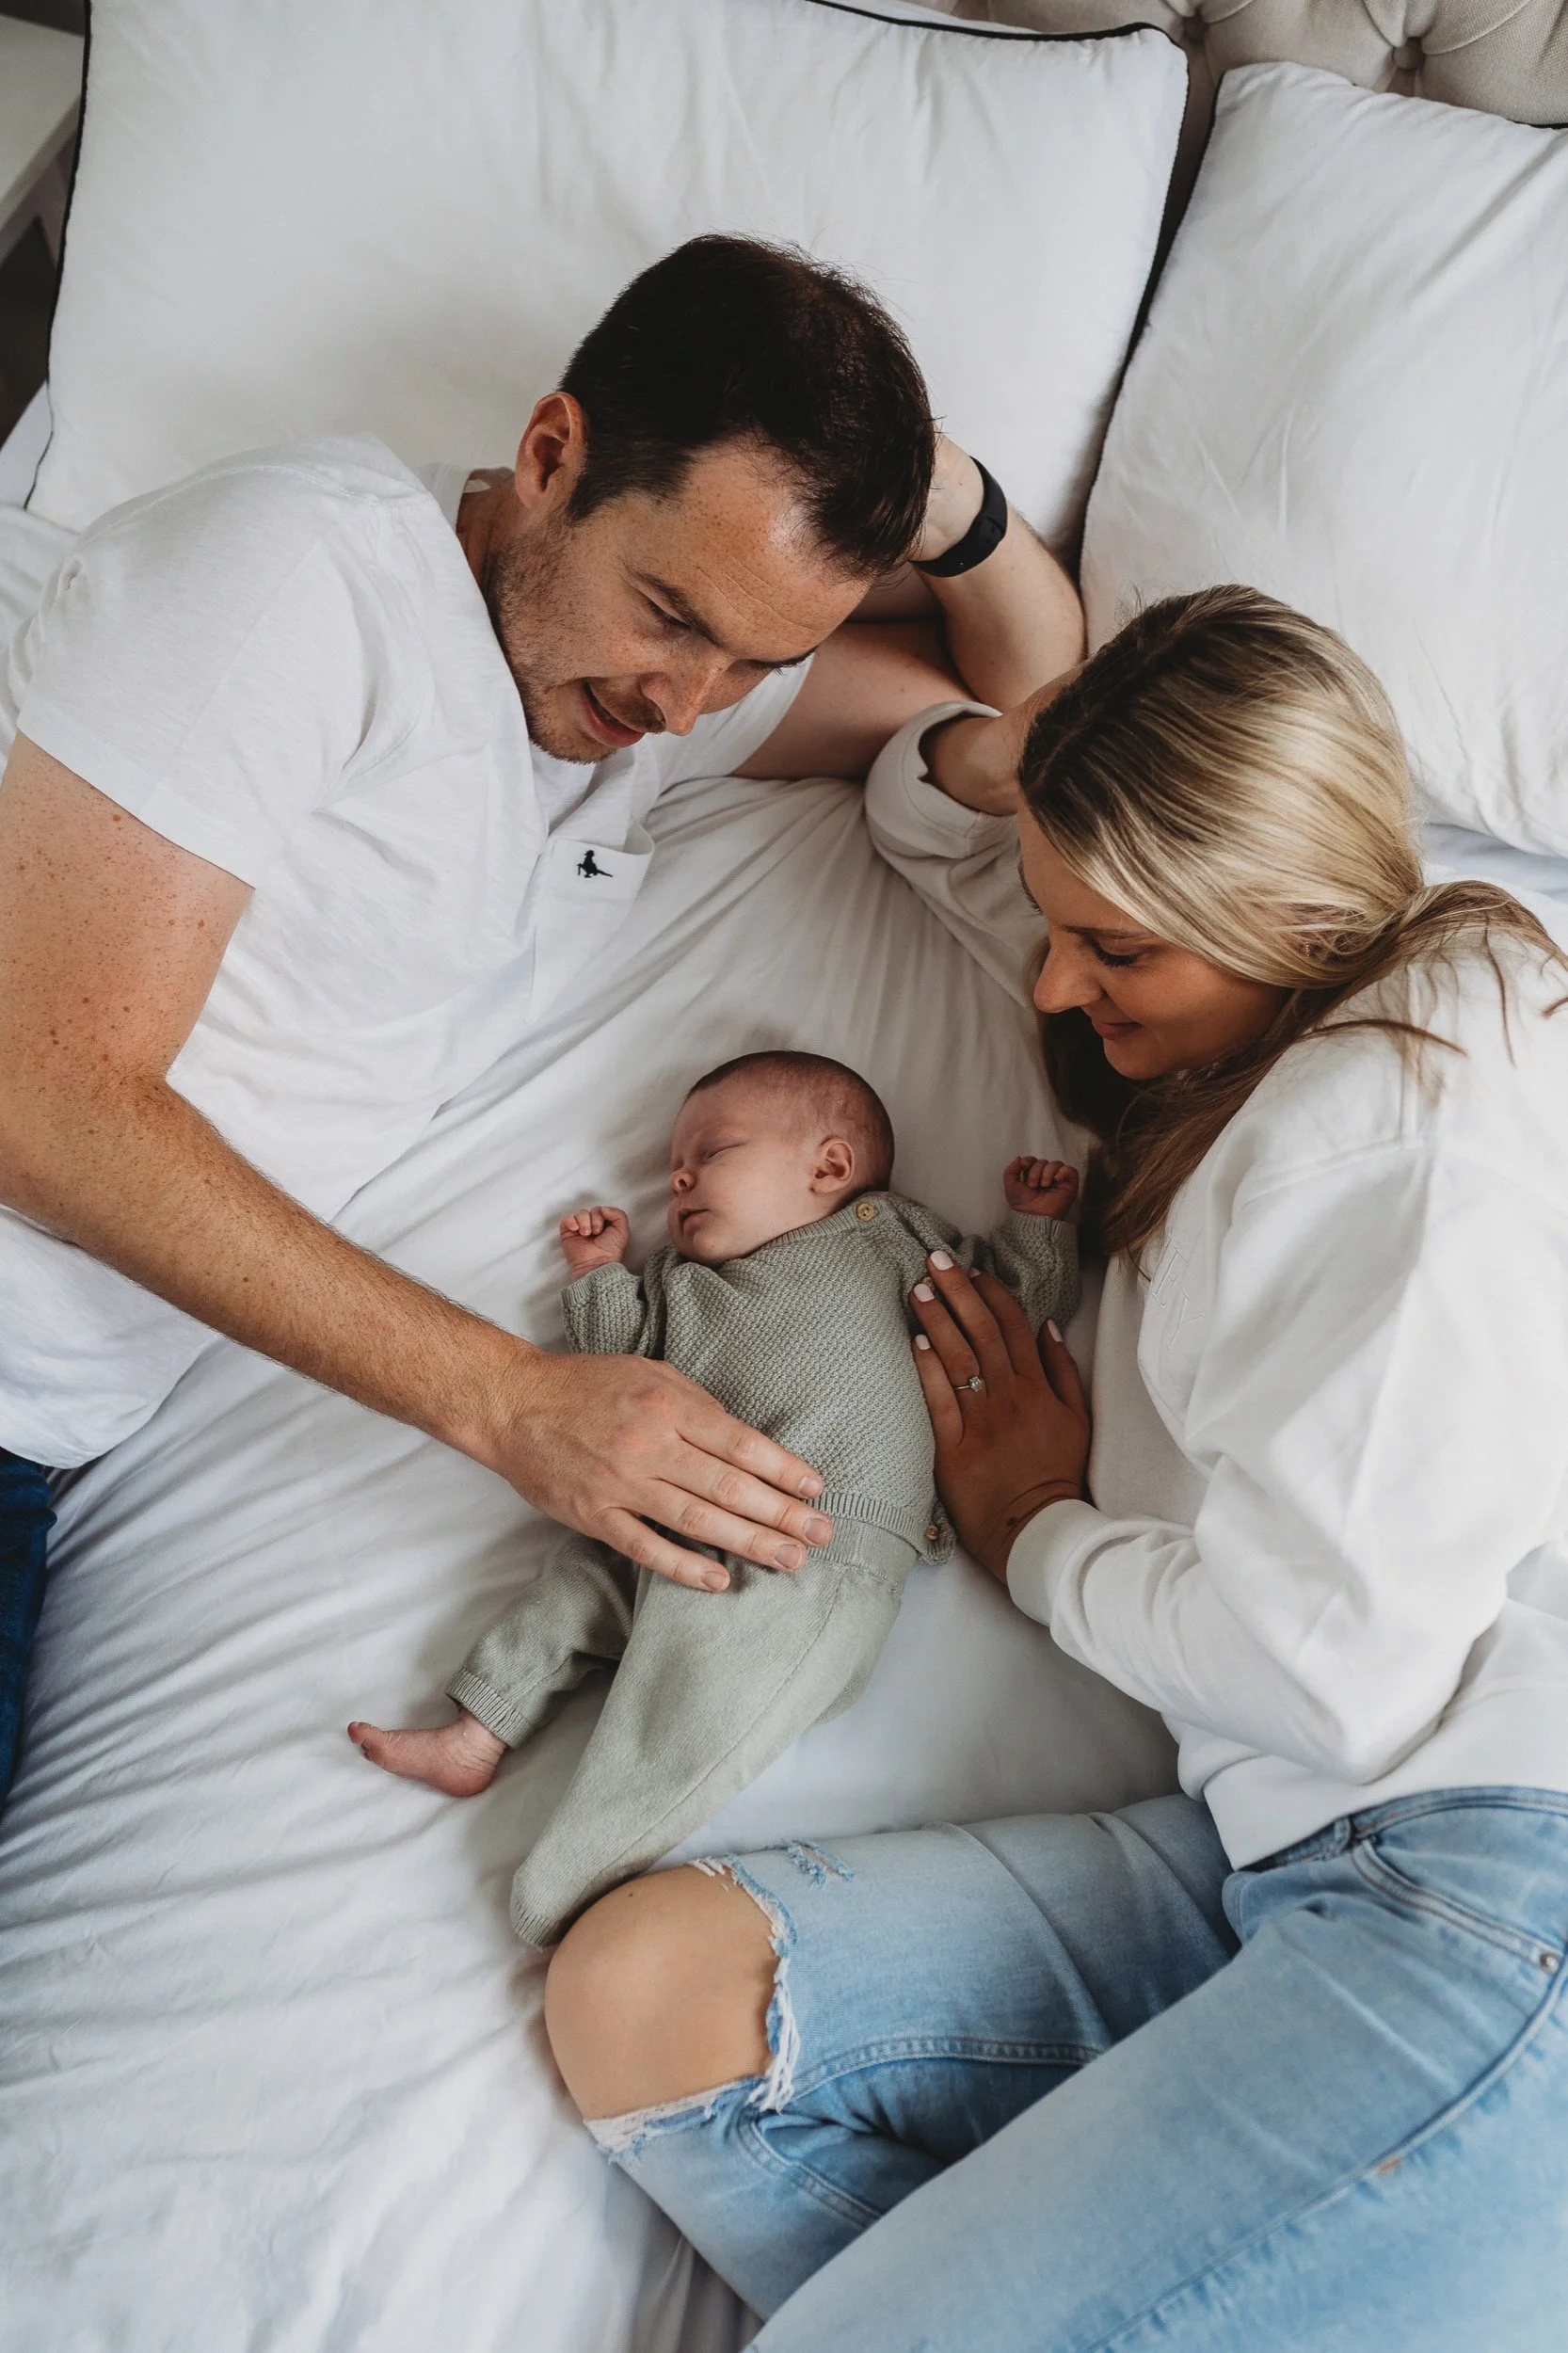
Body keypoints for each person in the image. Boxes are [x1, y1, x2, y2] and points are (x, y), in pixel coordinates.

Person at [542, 587, 1568, 2348]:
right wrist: (1052, 732)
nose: (1050, 982)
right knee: (654, 2004)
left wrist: (1036, 1533)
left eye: (1113, 949)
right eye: (1060, 919)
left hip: (1473, 1887)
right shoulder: (1256, 1027)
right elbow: (920, 811)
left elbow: (1336, 1676)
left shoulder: (1390, 1130)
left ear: (1283, 911)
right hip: (1267, 1862)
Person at [0, 232, 1084, 1806]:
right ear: (551, 453)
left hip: (45, 1426)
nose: (684, 705)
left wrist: (946, 504)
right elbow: (38, 1099)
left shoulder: (635, 700)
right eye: (669, 612)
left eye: (755, 661)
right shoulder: (295, 576)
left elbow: (1036, 706)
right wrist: (510, 1403)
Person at [348, 1048, 1079, 1946]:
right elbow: (615, 1365)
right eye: (673, 1168)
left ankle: (570, 1882)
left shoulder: (889, 1241)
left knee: (689, 1725)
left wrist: (1035, 1227)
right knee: (574, 1585)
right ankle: (476, 1731)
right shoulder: (677, 1284)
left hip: (815, 1544)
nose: (680, 1178)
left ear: (830, 1167)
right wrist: (599, 1276)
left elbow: (1006, 1312)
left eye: (713, 1153)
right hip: (667, 1516)